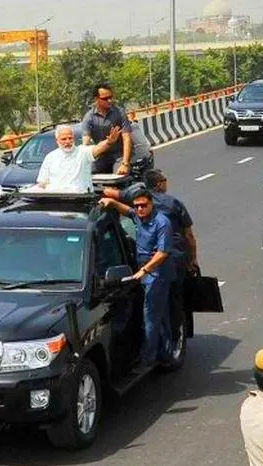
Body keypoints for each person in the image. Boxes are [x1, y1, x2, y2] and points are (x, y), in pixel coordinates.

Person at [102, 169, 198, 339]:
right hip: (173, 261)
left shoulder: (135, 198)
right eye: (165, 180)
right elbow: (188, 235)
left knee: (154, 308)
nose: (140, 208)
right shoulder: (172, 203)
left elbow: (115, 195)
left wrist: (108, 195)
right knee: (173, 302)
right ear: (160, 183)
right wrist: (193, 260)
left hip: (151, 264)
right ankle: (173, 339)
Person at [99, 190, 174, 368]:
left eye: (143, 205)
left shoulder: (162, 223)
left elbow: (163, 253)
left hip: (156, 274)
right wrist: (113, 203)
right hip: (144, 271)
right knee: (160, 316)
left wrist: (144, 271)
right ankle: (166, 354)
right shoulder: (138, 216)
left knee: (150, 317)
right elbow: (127, 211)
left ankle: (147, 359)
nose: (139, 209)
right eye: (137, 206)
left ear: (151, 205)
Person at [36, 124, 121, 192]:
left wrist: (108, 142)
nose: (68, 141)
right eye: (64, 139)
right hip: (56, 203)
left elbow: (97, 148)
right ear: (57, 141)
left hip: (79, 200)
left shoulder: (83, 152)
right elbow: (42, 183)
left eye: (70, 138)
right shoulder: (50, 157)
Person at [81, 83, 134, 175]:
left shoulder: (119, 113)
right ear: (96, 99)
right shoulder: (89, 117)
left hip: (119, 156)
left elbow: (126, 138)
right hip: (102, 157)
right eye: (105, 99)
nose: (109, 100)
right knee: (84, 172)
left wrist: (125, 164)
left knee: (118, 177)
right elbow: (86, 142)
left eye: (111, 97)